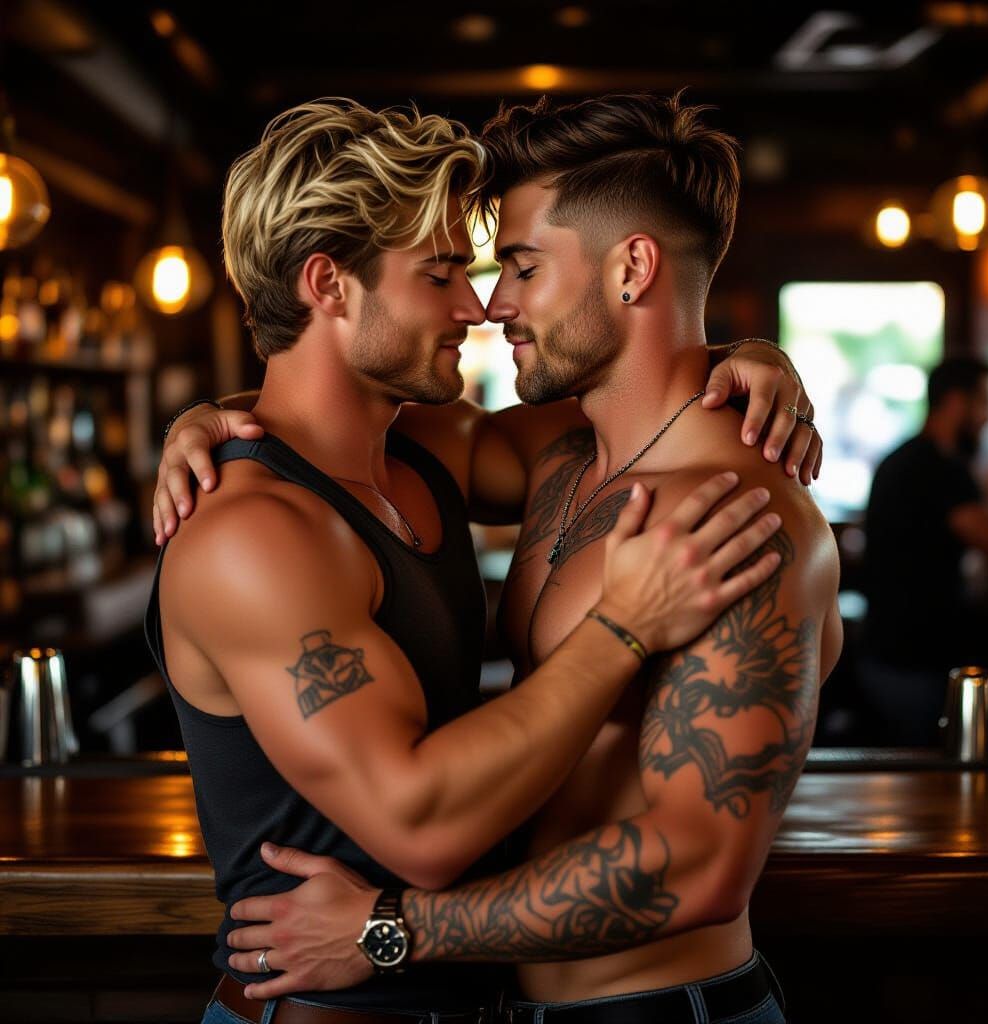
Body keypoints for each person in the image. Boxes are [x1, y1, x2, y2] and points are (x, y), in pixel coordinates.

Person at [161, 94, 841, 1023]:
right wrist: (204, 421)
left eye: (518, 267)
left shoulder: (730, 515)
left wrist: (394, 928)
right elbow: (315, 424)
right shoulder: (535, 463)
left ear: (633, 268)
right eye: (449, 272)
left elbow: (703, 865)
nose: (486, 303)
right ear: (330, 285)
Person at [861, 355, 988, 745]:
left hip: (886, 652)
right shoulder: (937, 468)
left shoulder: (902, 458)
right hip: (912, 664)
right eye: (984, 403)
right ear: (955, 402)